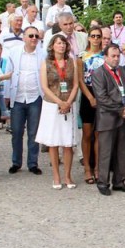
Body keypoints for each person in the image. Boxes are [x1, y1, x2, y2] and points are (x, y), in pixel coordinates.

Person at [36, 33, 79, 189]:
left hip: (69, 104)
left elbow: (75, 84)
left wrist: (67, 102)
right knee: (53, 141)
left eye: (63, 43)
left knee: (68, 143)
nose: (61, 46)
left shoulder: (72, 62)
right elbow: (44, 86)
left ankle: (67, 175)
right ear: (52, 45)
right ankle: (56, 175)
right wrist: (59, 102)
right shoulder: (46, 63)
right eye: (58, 43)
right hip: (52, 104)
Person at [91, 44, 125, 195]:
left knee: (122, 151)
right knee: (106, 153)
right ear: (105, 57)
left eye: (118, 56)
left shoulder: (123, 70)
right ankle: (103, 183)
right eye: (113, 56)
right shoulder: (98, 73)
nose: (116, 59)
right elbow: (102, 98)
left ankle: (119, 181)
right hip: (108, 118)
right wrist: (120, 109)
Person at [3, 27, 44, 175]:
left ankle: (33, 163)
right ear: (24, 37)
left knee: (33, 133)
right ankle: (16, 162)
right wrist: (7, 96)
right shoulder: (14, 52)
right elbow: (8, 74)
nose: (34, 38)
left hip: (35, 97)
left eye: (36, 36)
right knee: (16, 132)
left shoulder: (43, 54)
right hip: (18, 97)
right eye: (31, 35)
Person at [78, 26, 106, 184]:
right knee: (87, 133)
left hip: (102, 93)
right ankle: (87, 168)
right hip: (87, 94)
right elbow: (80, 79)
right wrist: (90, 98)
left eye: (98, 36)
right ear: (88, 38)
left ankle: (97, 168)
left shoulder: (105, 55)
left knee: (99, 134)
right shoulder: (82, 56)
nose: (95, 39)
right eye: (93, 36)